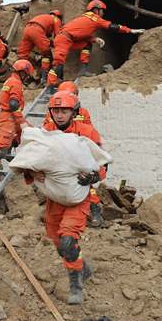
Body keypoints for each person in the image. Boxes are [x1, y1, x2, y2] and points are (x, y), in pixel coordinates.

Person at [24, 91, 106, 305]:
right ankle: (83, 268)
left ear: (74, 112)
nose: (60, 115)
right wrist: (32, 172)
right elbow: (30, 157)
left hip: (78, 197)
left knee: (68, 240)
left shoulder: (86, 132)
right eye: (56, 111)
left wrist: (95, 176)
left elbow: (102, 162)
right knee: (59, 243)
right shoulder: (46, 134)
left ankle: (75, 286)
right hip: (55, 197)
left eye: (64, 111)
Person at [47, 0, 144, 89]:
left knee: (87, 44)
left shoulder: (85, 18)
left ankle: (83, 71)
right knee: (58, 61)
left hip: (69, 39)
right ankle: (51, 83)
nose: (103, 13)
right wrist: (130, 30)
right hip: (64, 39)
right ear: (96, 10)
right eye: (102, 10)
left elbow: (79, 34)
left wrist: (94, 39)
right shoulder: (95, 18)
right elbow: (112, 26)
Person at [56, 81, 103, 227]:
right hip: (61, 152)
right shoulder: (54, 113)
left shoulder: (83, 113)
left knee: (85, 181)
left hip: (78, 152)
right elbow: (48, 131)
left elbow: (88, 132)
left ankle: (94, 209)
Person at [0, 60, 34, 170]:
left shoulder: (10, 80)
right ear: (23, 73)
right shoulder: (16, 83)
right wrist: (21, 121)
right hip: (9, 118)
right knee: (1, 148)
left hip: (11, 117)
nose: (27, 78)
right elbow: (13, 104)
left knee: (28, 133)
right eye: (27, 75)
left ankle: (10, 150)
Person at [17, 10, 62, 81]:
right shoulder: (56, 19)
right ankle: (44, 78)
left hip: (27, 29)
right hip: (37, 30)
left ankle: (19, 75)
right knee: (46, 53)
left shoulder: (44, 17)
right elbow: (58, 35)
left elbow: (46, 34)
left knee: (22, 54)